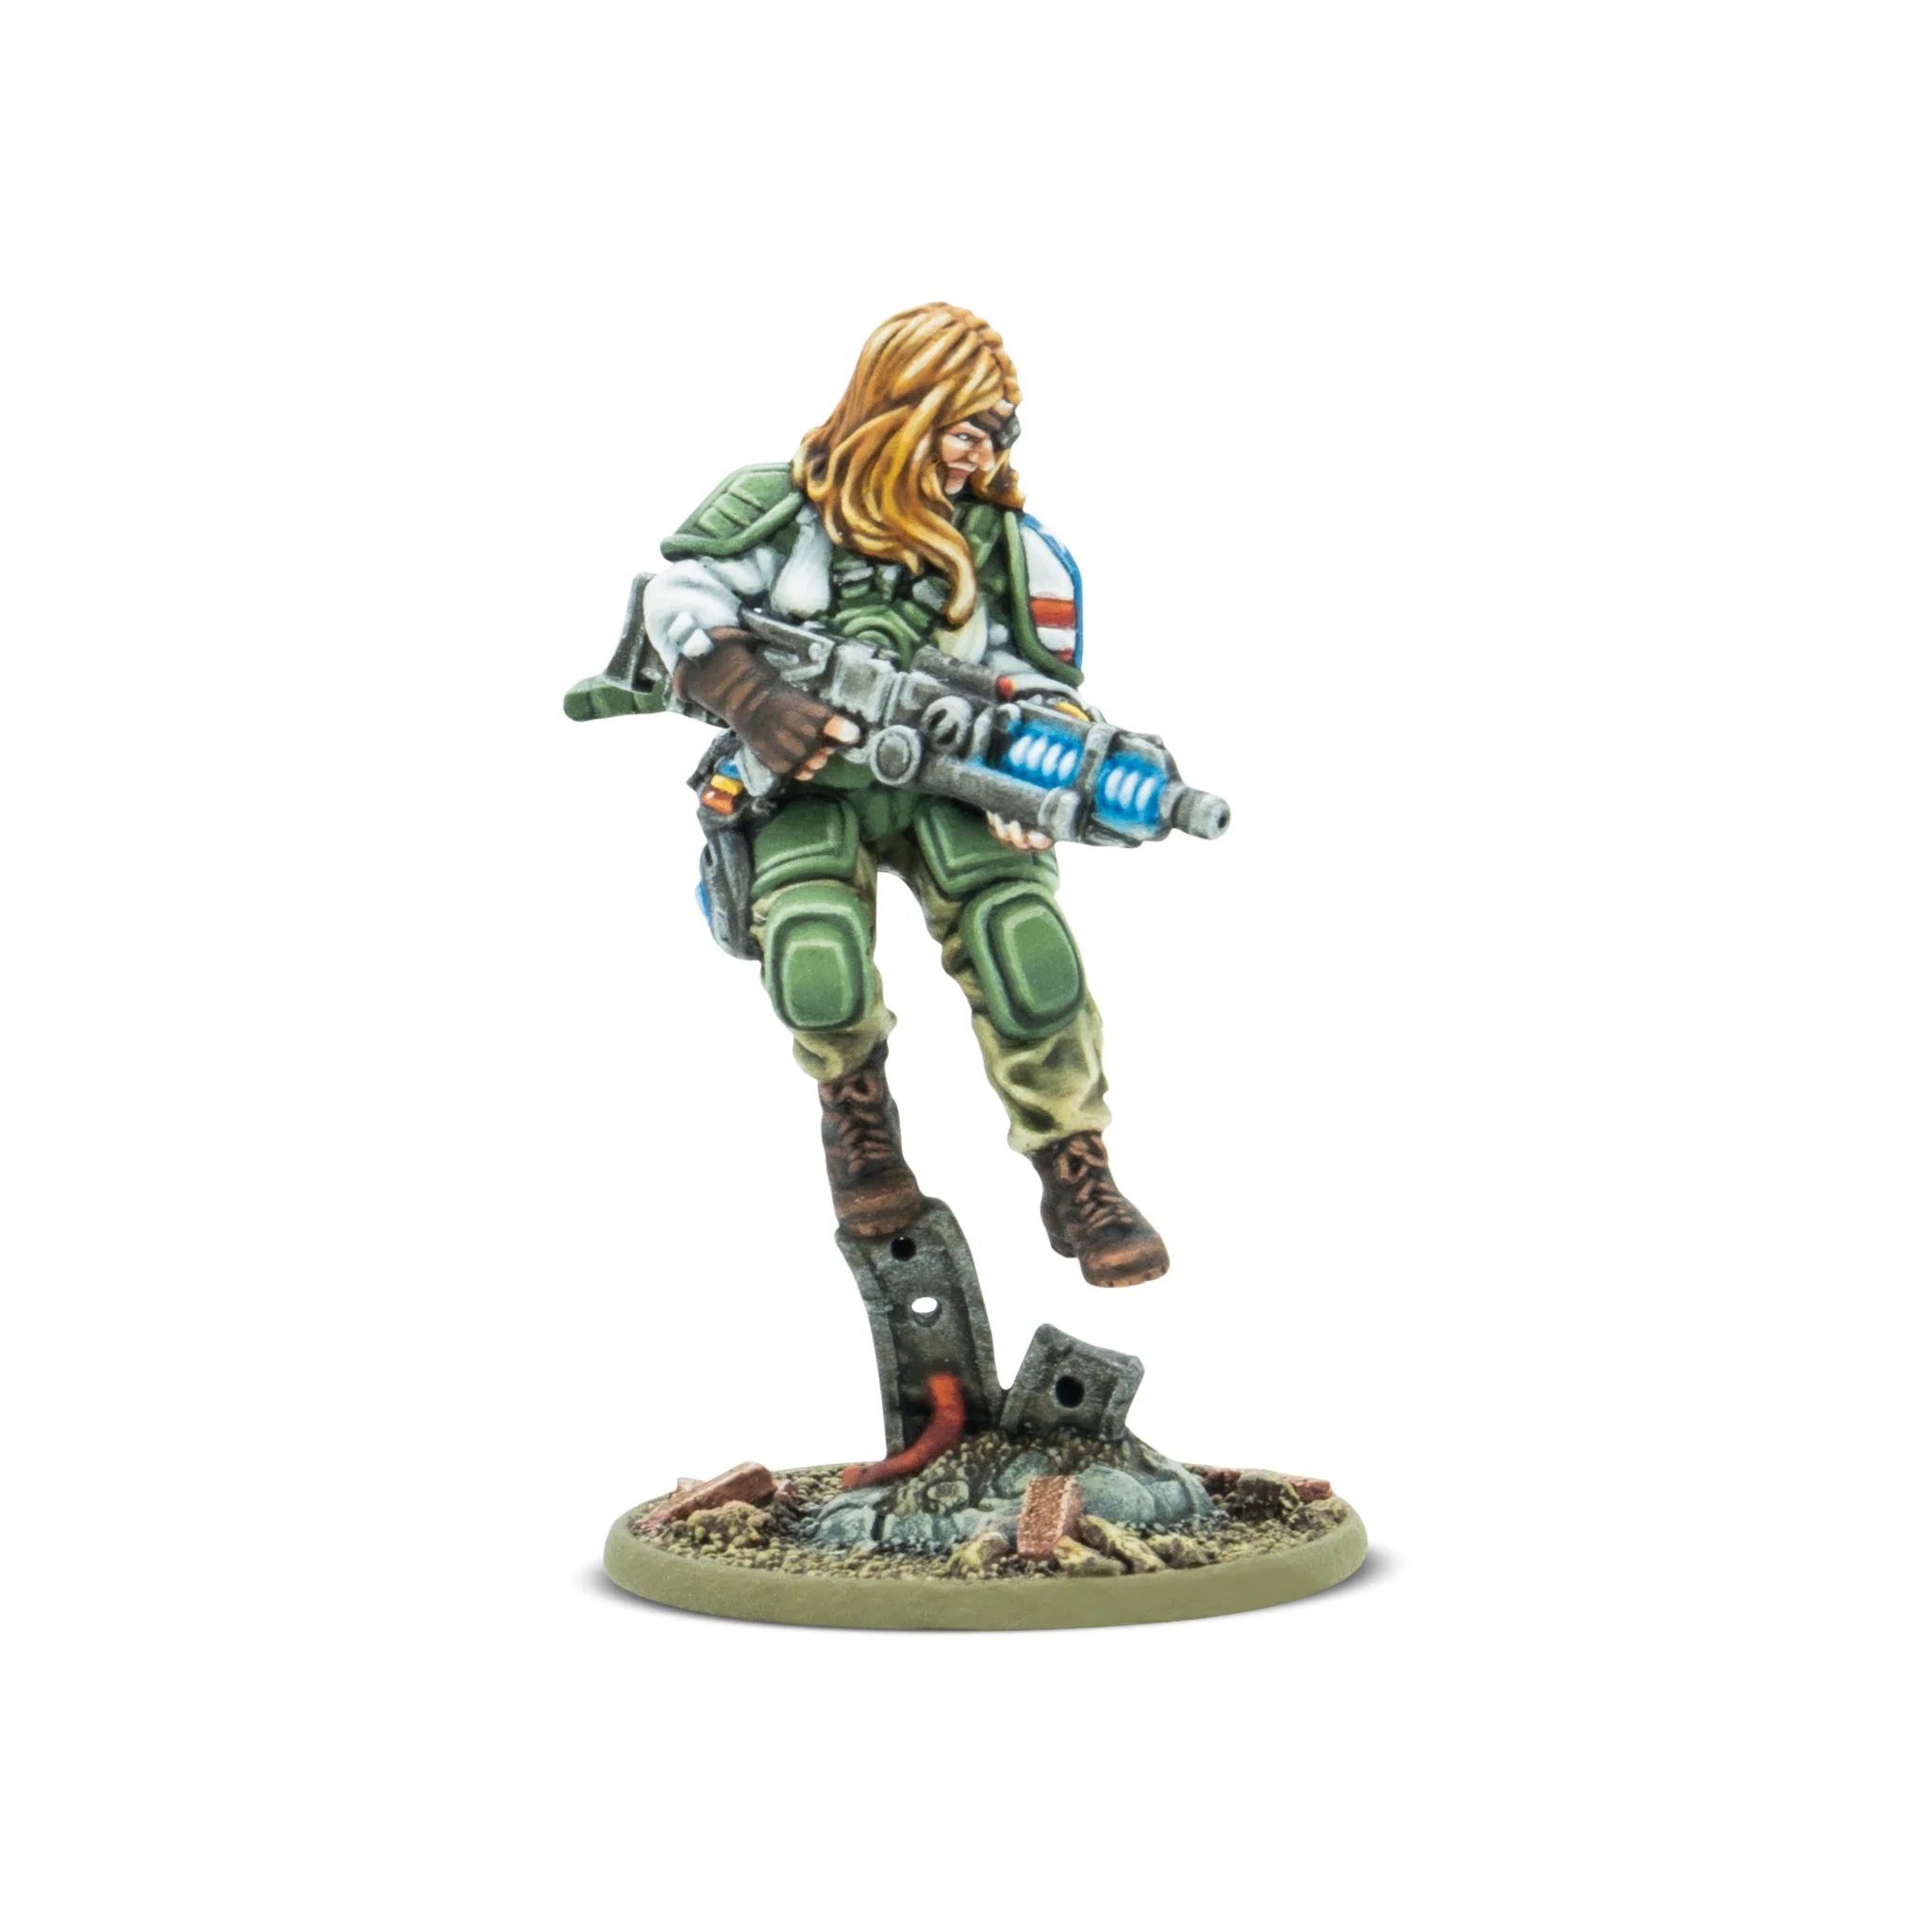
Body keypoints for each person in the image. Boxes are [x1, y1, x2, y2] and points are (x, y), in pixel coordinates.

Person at [641, 303, 1168, 1288]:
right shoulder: (779, 510)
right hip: (807, 780)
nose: (979, 453)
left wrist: (1036, 770)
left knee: (1025, 945)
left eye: (996, 432)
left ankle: (1076, 1168)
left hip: (949, 783)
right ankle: (859, 1126)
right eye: (962, 426)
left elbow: (1037, 680)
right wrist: (754, 700)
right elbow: (677, 599)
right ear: (899, 406)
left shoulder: (1005, 545)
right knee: (815, 950)